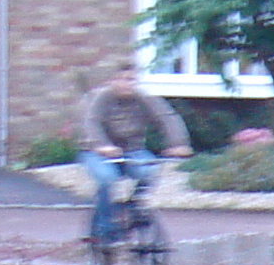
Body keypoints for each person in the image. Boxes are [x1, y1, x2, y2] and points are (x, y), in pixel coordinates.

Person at [78, 69, 192, 246]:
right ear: (111, 81)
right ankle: (104, 229)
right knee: (107, 179)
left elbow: (168, 118)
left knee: (150, 170)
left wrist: (178, 143)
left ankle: (135, 206)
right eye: (121, 79)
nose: (126, 83)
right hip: (96, 151)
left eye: (131, 79)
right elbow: (92, 122)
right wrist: (103, 145)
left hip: (132, 150)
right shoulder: (100, 99)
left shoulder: (144, 99)